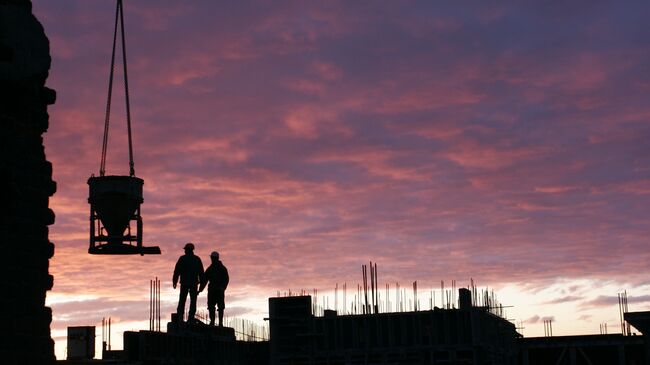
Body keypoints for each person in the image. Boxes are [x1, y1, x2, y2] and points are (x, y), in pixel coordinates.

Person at [173, 243, 204, 323]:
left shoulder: (182, 259)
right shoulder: (197, 259)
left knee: (182, 300)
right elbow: (201, 274)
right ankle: (190, 318)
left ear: (187, 250)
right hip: (193, 284)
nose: (185, 251)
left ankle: (180, 317)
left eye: (185, 249)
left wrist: (175, 281)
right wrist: (201, 287)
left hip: (185, 283)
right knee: (193, 301)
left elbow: (177, 271)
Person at [199, 251, 229, 326]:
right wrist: (200, 290)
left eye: (212, 258)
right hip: (215, 290)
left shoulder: (215, 268)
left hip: (216, 290)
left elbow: (226, 279)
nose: (212, 259)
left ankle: (218, 322)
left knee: (217, 306)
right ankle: (215, 322)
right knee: (214, 306)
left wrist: (222, 287)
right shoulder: (219, 268)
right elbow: (205, 279)